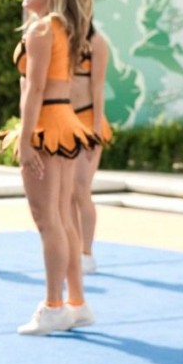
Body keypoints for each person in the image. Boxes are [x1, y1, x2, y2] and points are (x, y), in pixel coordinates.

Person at [9, 0, 99, 335]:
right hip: (63, 120)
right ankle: (76, 302)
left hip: (47, 124)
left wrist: (26, 139)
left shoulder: (43, 29)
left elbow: (34, 89)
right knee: (62, 216)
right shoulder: (62, 27)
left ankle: (53, 305)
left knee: (48, 220)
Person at [70, 22, 113, 273]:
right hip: (63, 120)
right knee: (66, 193)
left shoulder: (96, 42)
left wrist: (96, 130)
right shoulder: (60, 38)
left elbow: (97, 87)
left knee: (81, 187)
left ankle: (86, 252)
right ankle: (73, 248)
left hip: (88, 121)